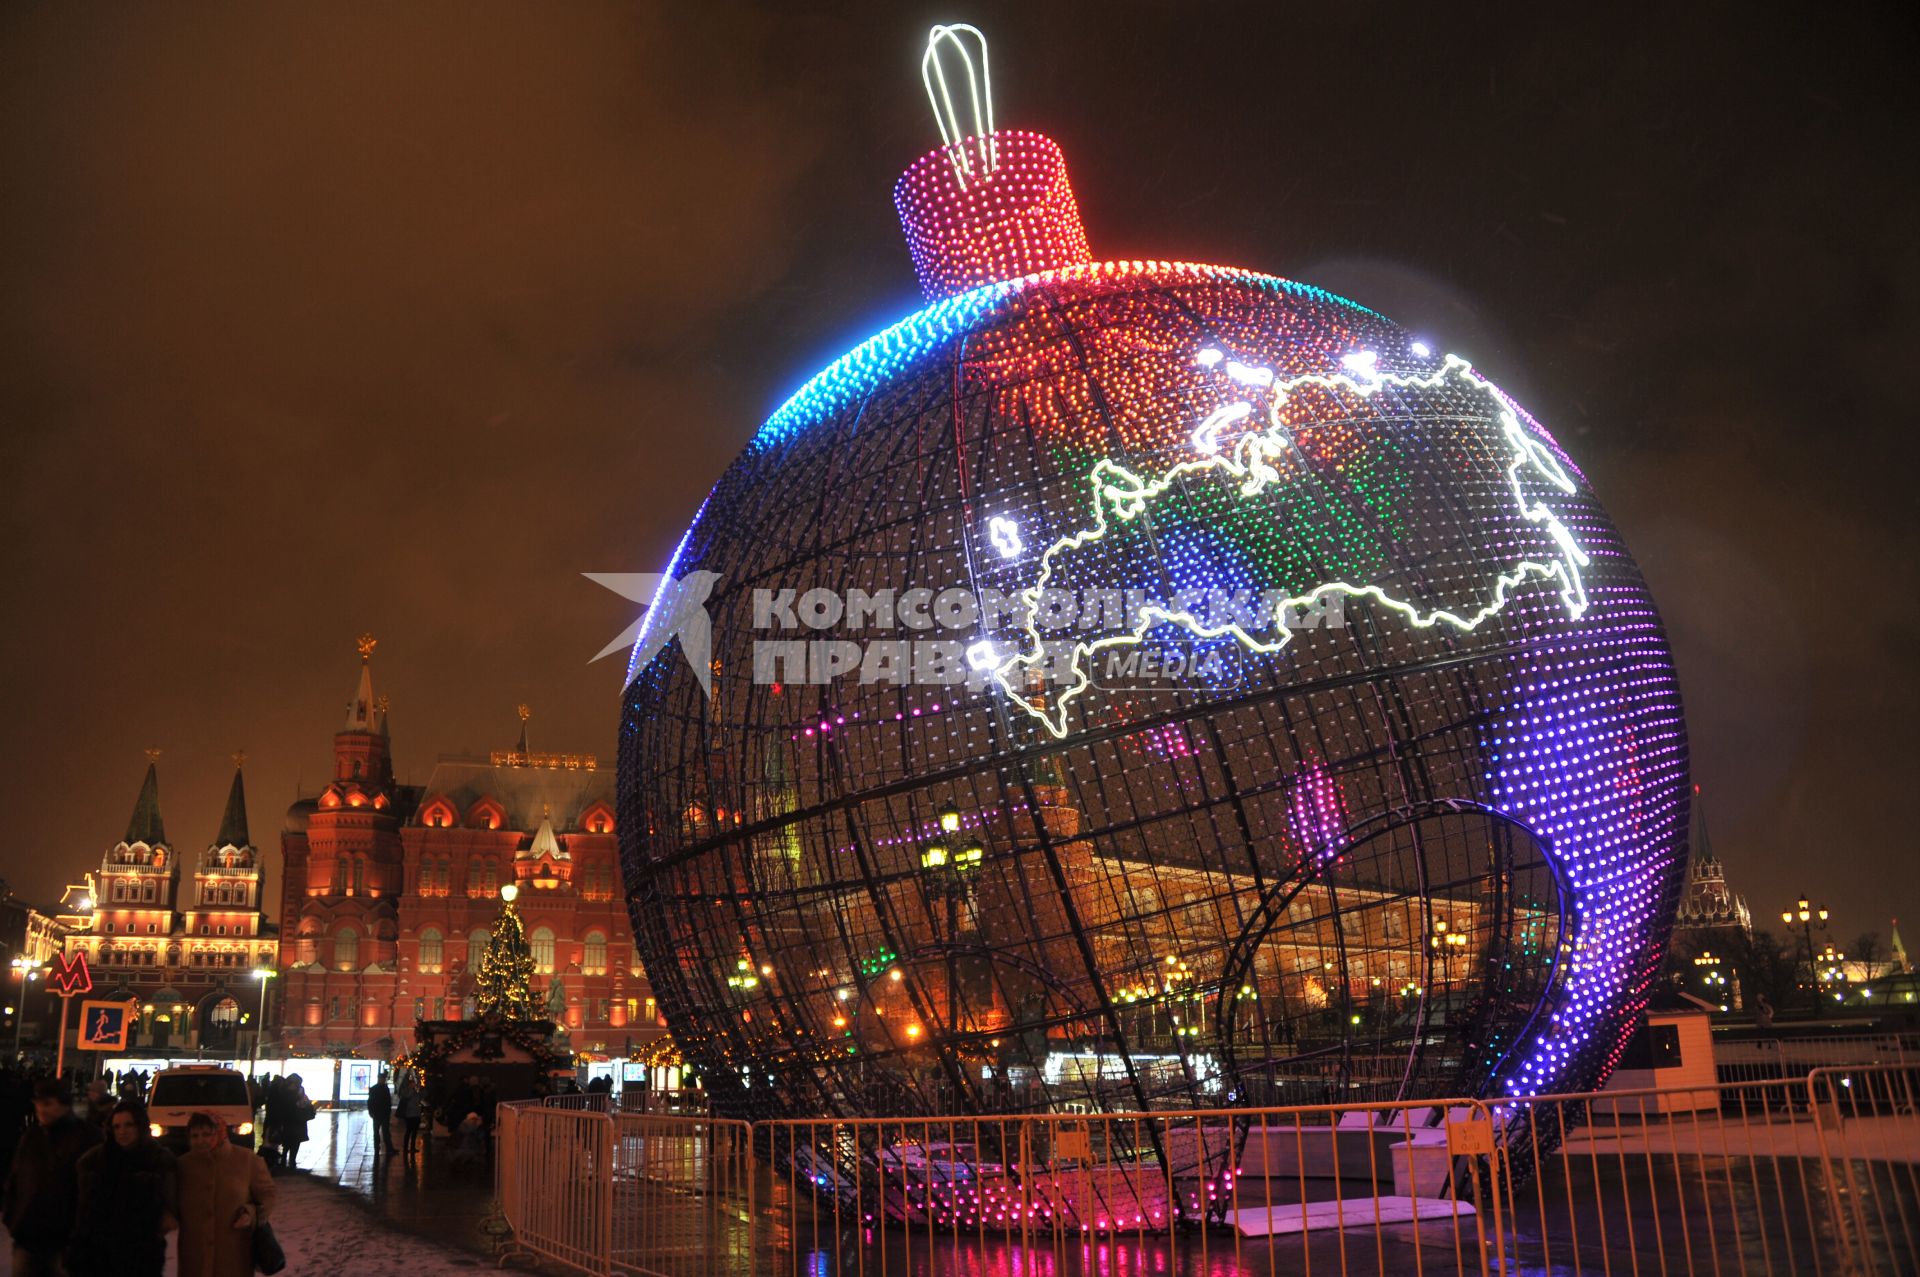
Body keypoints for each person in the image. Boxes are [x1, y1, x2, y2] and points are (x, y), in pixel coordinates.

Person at [2, 1079, 101, 1277]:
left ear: (64, 1104)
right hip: (28, 1237)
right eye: (38, 1104)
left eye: (47, 1104)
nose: (41, 1109)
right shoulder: (32, 1137)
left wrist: (81, 1233)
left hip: (65, 1242)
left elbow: (96, 1190)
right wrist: (13, 1218)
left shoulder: (87, 1137)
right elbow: (16, 1179)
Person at [69, 1100, 177, 1277]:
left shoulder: (158, 1159)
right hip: (101, 1251)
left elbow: (169, 1210)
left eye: (128, 1125)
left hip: (142, 1250)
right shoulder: (96, 1159)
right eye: (117, 1126)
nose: (122, 1131)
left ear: (140, 1126)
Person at [177, 1112, 274, 1277]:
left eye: (207, 1134)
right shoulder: (182, 1165)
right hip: (194, 1256)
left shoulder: (247, 1160)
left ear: (220, 1132)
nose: (200, 1140)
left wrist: (251, 1214)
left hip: (234, 1255)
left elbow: (268, 1194)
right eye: (195, 1135)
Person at [366, 1071, 395, 1155]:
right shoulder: (383, 1088)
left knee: (379, 1131)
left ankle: (378, 1148)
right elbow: (386, 1101)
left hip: (379, 1113)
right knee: (384, 1131)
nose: (383, 1080)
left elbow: (370, 1102)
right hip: (381, 1113)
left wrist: (371, 1112)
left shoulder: (376, 1088)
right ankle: (387, 1148)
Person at [396, 1071, 423, 1157]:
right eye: (412, 1083)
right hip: (410, 1114)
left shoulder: (415, 1091)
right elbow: (407, 1096)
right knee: (409, 1131)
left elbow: (420, 1098)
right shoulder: (407, 1092)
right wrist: (412, 1090)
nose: (414, 1084)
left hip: (416, 1114)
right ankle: (406, 1148)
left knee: (414, 1131)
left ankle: (412, 1147)